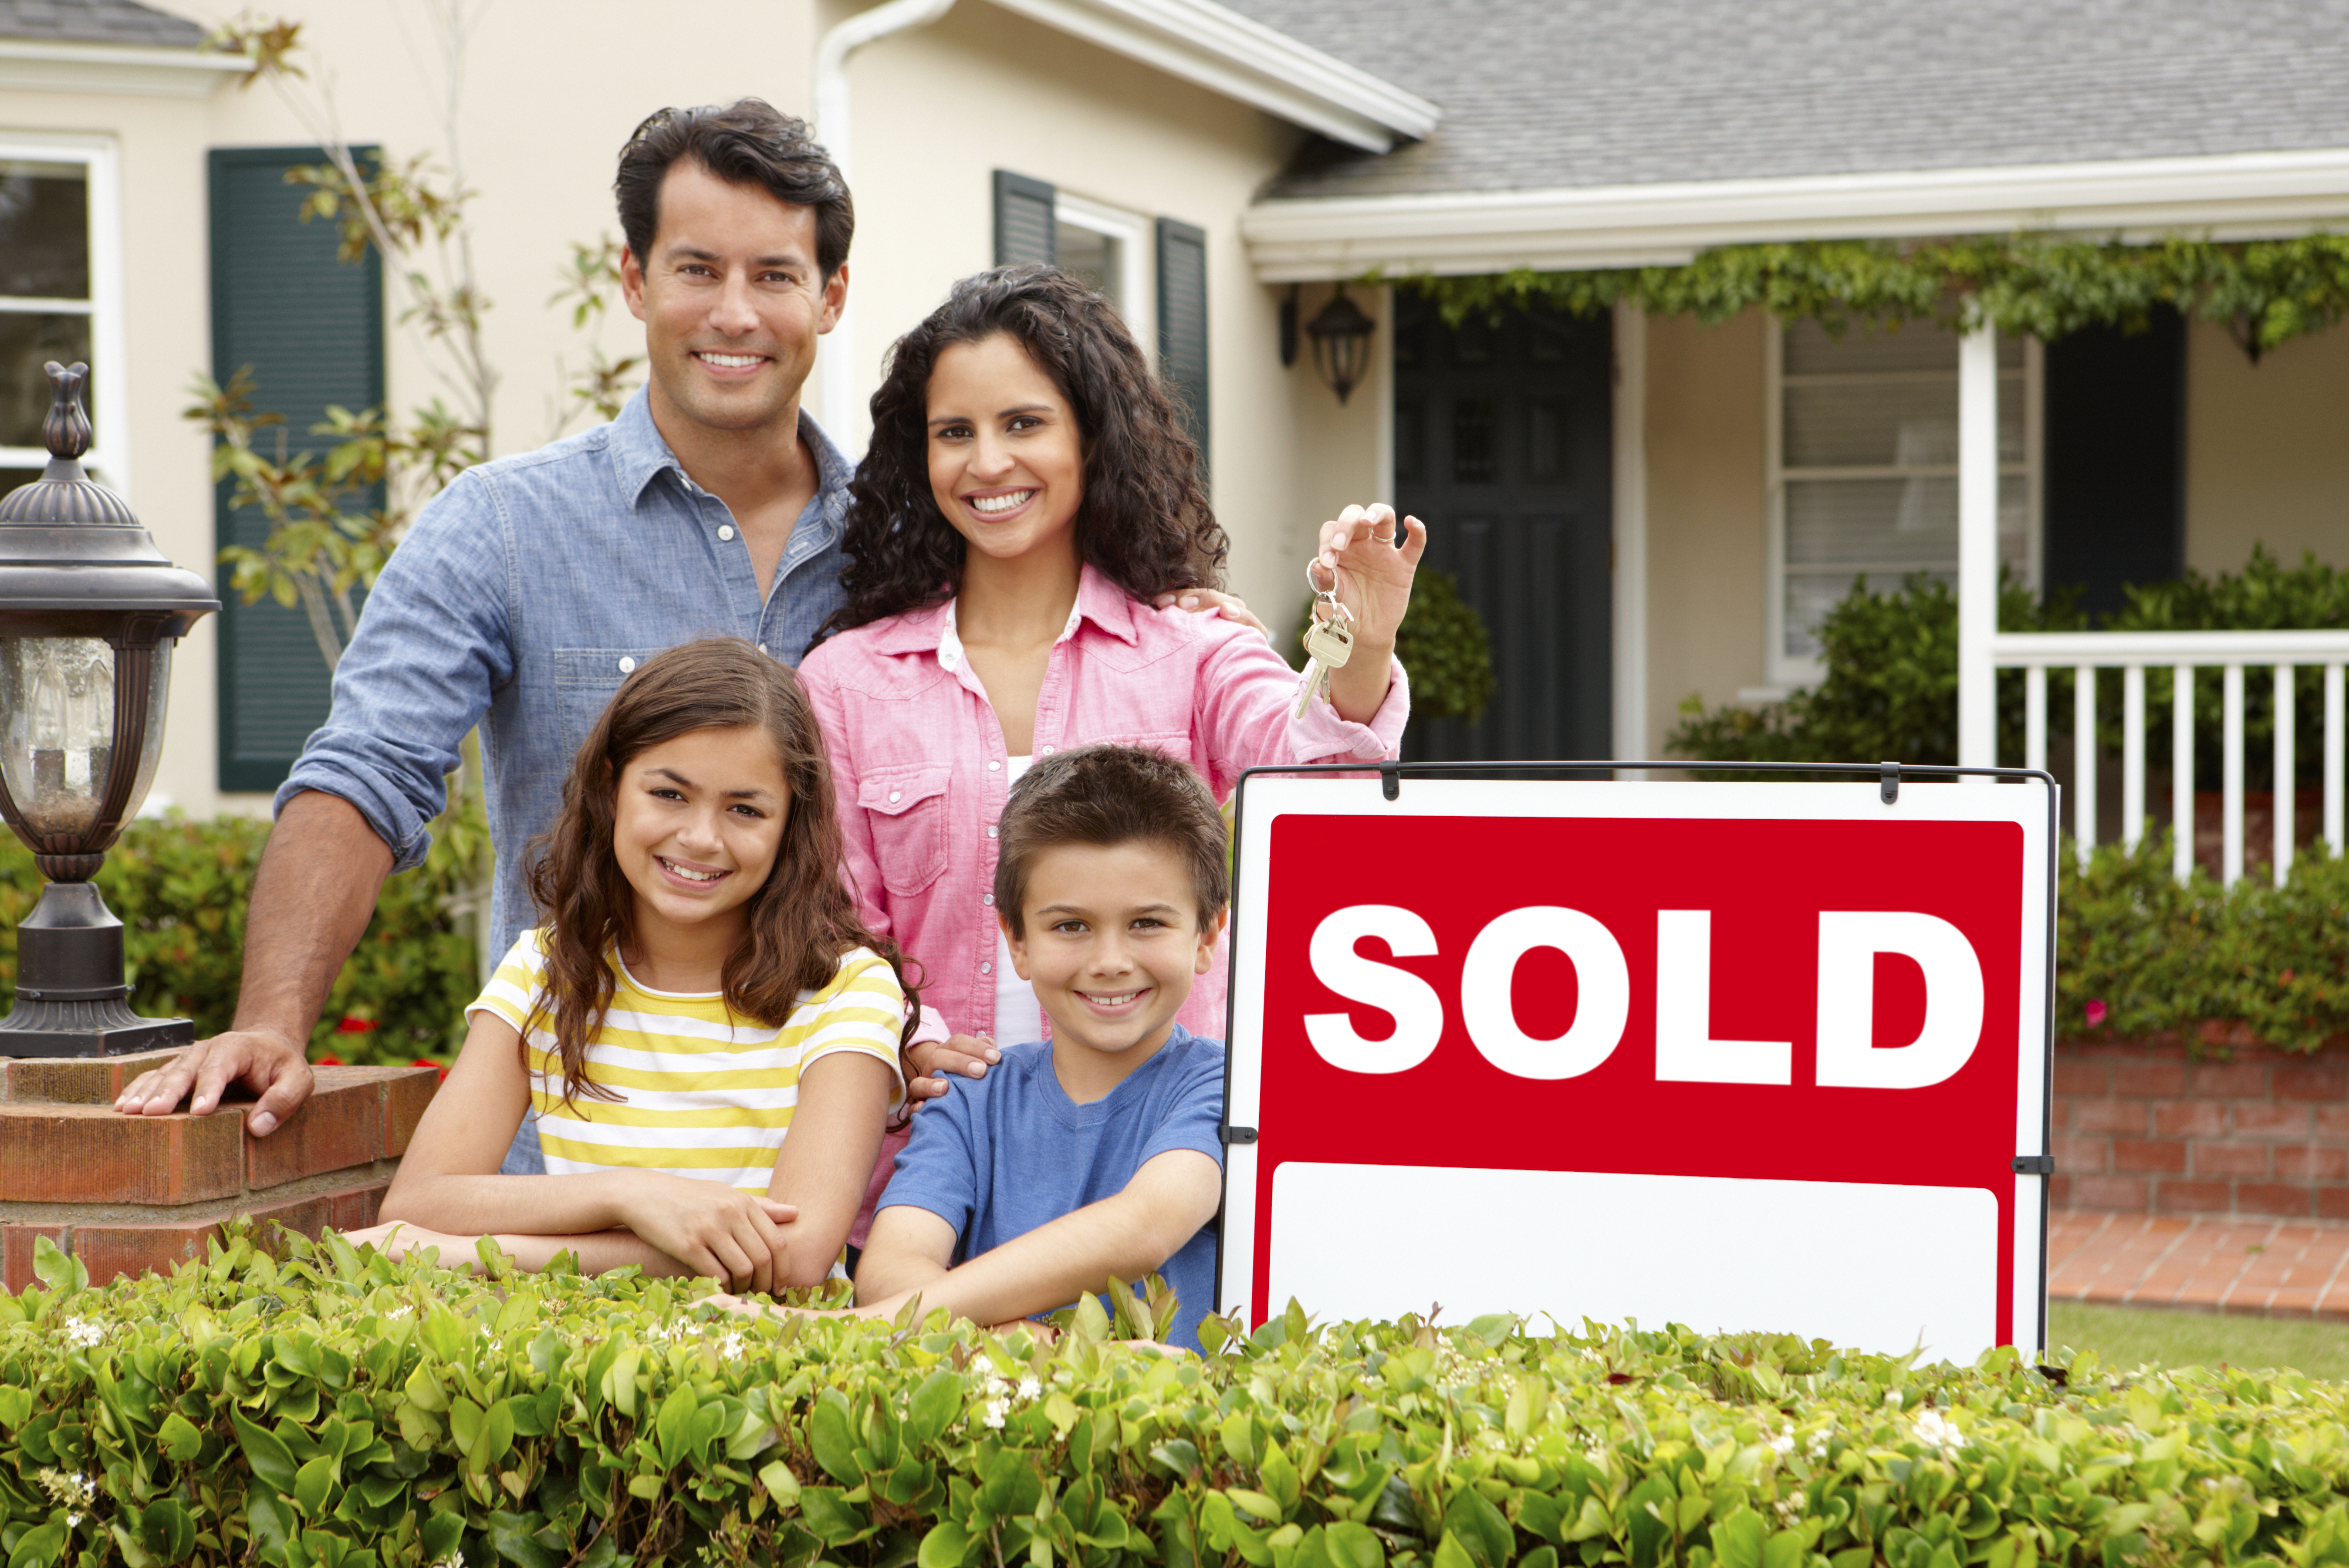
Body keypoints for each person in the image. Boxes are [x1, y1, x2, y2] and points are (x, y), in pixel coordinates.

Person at [112, 101, 1252, 1160]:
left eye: (775, 274)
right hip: (580, 1166)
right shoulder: (503, 527)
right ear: (635, 279)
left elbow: (1062, 597)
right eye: (698, 270)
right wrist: (271, 1020)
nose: (735, 313)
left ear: (834, 295)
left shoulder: (925, 542)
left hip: (848, 1185)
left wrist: (1184, 610)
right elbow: (365, 775)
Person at [796, 266, 1423, 1220]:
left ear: (1093, 437)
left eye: (1024, 424)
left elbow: (1322, 775)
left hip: (1152, 1171)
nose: (988, 463)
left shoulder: (1194, 646)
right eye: (954, 433)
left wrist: (1365, 644)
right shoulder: (846, 679)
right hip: (929, 1174)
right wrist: (899, 1043)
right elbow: (831, 934)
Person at [349, 639, 906, 1287]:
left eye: (745, 809)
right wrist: (632, 1196)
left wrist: (488, 1250)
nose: (702, 837)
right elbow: (418, 1202)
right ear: (612, 788)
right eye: (670, 794)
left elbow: (794, 1259)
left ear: (792, 824)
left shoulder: (848, 991)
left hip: (764, 1369)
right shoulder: (546, 969)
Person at [848, 744, 1230, 1348]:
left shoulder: (1226, 1086)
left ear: (1207, 936)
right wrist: (1012, 1341)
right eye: (1070, 926)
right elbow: (891, 1270)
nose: (1110, 962)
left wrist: (855, 1329)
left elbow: (1145, 1227)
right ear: (1017, 940)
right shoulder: (971, 1092)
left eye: (1147, 923)